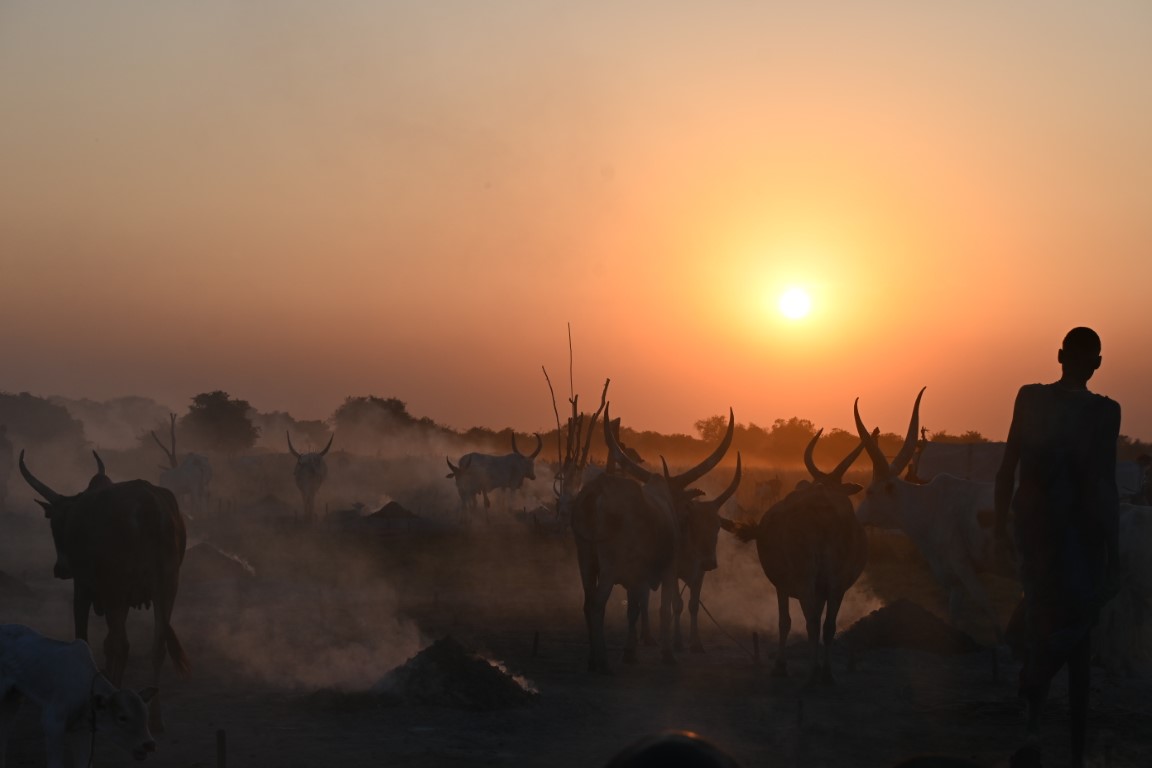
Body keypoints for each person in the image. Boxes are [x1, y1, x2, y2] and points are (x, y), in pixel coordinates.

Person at [993, 327, 1121, 768]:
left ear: (1060, 355)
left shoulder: (1030, 398)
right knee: (1076, 640)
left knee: (1039, 627)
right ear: (1097, 364)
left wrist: (999, 531)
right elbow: (1106, 487)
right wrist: (1114, 556)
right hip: (1076, 540)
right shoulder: (1105, 412)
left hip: (1041, 537)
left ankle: (1034, 729)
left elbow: (1006, 470)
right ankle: (1075, 754)